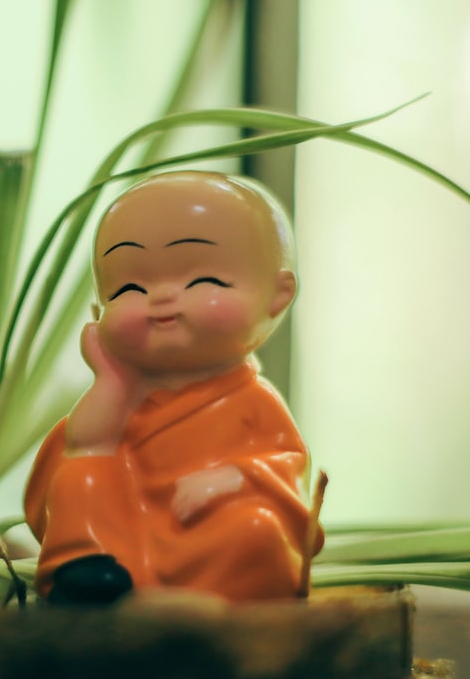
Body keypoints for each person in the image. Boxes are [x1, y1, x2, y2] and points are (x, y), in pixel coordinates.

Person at [24, 170, 323, 604]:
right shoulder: (122, 400)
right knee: (80, 468)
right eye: (129, 287)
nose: (161, 297)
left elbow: (286, 462)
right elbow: (85, 449)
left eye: (204, 281)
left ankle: (221, 612)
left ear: (277, 295)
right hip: (123, 546)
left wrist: (231, 477)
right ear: (98, 309)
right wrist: (111, 384)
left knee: (257, 531)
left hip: (213, 531)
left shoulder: (254, 401)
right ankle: (85, 569)